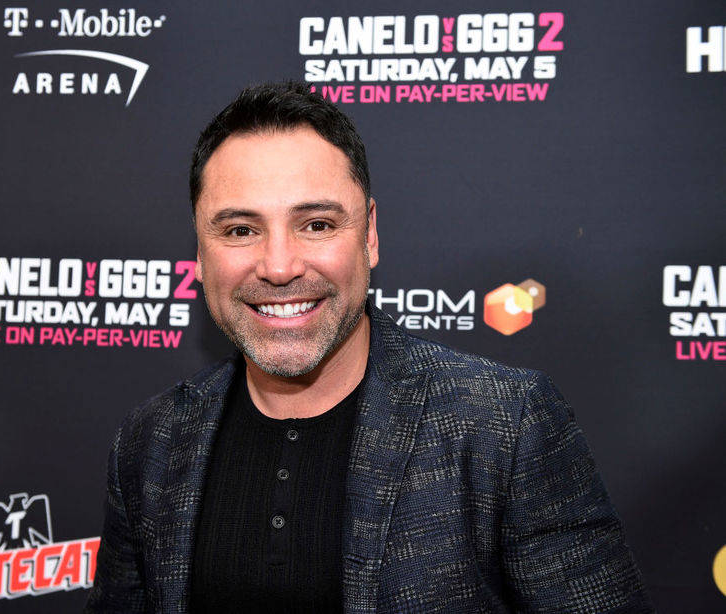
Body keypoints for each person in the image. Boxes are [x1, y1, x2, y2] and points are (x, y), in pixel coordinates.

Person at [85, 82, 652, 613]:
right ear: (200, 254)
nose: (279, 267)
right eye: (240, 231)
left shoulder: (504, 426)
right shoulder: (152, 441)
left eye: (316, 224)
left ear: (370, 234)